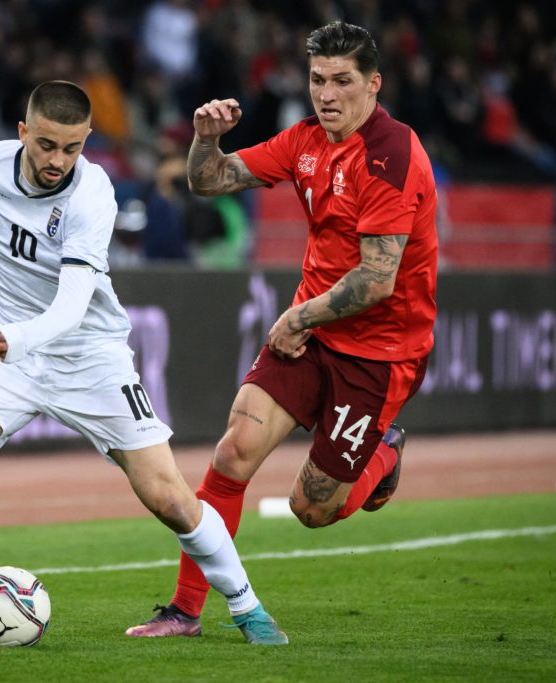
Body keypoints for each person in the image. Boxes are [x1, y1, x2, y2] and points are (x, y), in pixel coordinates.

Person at [0, 81, 287, 645]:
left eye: (71, 148)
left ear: (86, 140)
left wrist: (19, 339)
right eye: (46, 145)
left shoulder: (92, 194)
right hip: (13, 355)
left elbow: (71, 306)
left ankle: (247, 608)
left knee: (170, 498)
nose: (57, 161)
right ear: (23, 132)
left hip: (90, 356)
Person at [127, 21, 437, 637]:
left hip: (378, 353)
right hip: (313, 334)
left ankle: (385, 451)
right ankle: (186, 610)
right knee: (233, 452)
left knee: (312, 508)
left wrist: (298, 315)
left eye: (342, 82)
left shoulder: (391, 154)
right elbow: (206, 180)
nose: (327, 94)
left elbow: (377, 279)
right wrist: (204, 140)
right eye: (318, 80)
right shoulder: (304, 142)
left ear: (373, 85)